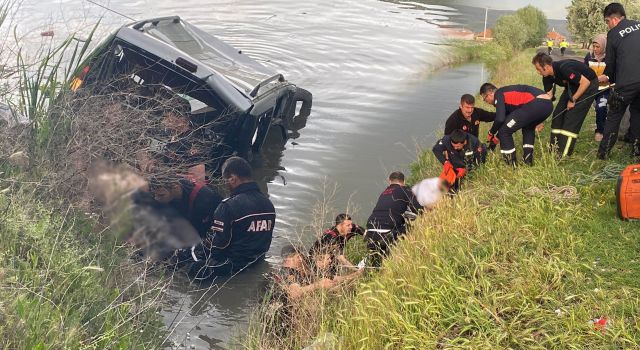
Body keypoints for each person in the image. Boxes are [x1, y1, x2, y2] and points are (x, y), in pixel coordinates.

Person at [185, 156, 276, 280]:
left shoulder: (227, 206)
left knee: (192, 261)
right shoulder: (268, 204)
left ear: (232, 179)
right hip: (257, 262)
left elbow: (218, 248)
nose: (224, 184)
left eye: (224, 180)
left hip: (232, 268)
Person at [532, 52, 599, 157]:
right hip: (572, 86)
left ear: (547, 66)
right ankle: (554, 148)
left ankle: (563, 154)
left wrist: (573, 100)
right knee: (557, 115)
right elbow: (548, 98)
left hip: (589, 84)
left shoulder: (564, 68)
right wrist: (540, 120)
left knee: (571, 119)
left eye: (539, 69)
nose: (538, 72)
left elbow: (585, 83)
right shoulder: (547, 77)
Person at [597, 3, 640, 159]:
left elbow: (610, 64)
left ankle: (604, 153)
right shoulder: (638, 25)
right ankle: (636, 151)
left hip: (626, 83)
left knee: (614, 114)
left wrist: (609, 79)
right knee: (638, 113)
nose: (608, 25)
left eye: (607, 22)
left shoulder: (614, 33)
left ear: (614, 19)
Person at [480, 83, 553, 166]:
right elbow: (506, 121)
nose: (486, 102)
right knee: (528, 127)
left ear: (490, 93)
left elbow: (500, 119)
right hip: (548, 105)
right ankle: (528, 162)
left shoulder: (499, 93)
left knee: (504, 131)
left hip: (536, 103)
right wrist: (494, 141)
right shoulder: (506, 95)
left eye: (485, 98)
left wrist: (491, 132)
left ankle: (511, 165)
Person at [365, 171, 422, 267]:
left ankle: (373, 273)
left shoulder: (383, 193)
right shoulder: (405, 189)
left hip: (371, 230)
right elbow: (419, 209)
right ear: (404, 181)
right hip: (388, 231)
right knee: (413, 225)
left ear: (389, 181)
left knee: (376, 266)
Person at [149, 175, 222, 238]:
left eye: (161, 195)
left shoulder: (204, 198)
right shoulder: (168, 197)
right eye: (154, 195)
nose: (157, 199)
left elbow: (219, 225)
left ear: (175, 187)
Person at [584, 34, 610, 142]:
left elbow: (613, 73)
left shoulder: (609, 57)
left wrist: (607, 77)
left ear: (604, 46)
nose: (595, 49)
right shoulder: (588, 57)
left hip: (604, 89)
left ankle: (600, 131)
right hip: (590, 88)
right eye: (593, 46)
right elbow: (583, 73)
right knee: (579, 107)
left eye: (597, 46)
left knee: (601, 107)